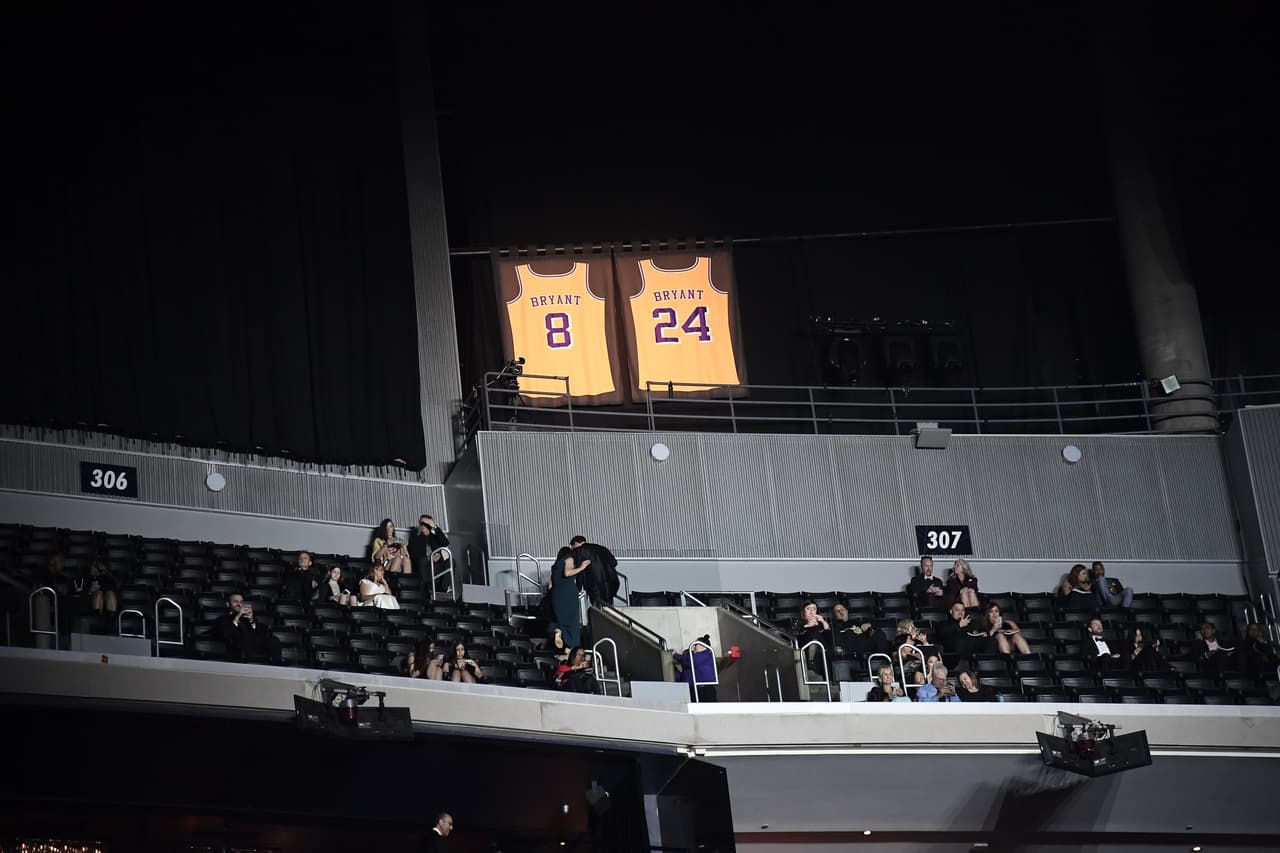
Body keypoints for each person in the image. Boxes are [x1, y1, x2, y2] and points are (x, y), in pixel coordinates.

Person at [548, 545, 589, 650]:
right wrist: (582, 567)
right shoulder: (569, 559)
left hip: (556, 596)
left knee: (562, 621)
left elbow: (550, 585)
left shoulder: (555, 566)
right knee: (573, 623)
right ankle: (573, 648)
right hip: (568, 594)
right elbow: (567, 573)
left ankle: (560, 632)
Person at [213, 593, 273, 662]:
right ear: (228, 604)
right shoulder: (222, 620)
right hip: (237, 649)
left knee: (273, 640)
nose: (239, 604)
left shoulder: (248, 617)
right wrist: (238, 616)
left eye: (241, 602)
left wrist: (251, 620)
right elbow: (227, 634)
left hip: (255, 646)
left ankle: (277, 664)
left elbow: (259, 632)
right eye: (235, 602)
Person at [569, 535, 619, 607]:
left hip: (594, 583)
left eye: (573, 548)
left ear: (576, 543)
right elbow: (614, 562)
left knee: (597, 606)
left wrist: (578, 588)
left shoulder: (580, 550)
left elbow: (580, 570)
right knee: (608, 606)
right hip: (610, 581)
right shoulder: (602, 548)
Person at [408, 514, 451, 591]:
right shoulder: (415, 538)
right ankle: (427, 590)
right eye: (421, 523)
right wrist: (430, 558)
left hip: (437, 566)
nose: (423, 526)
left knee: (451, 562)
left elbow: (446, 543)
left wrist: (435, 527)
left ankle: (443, 590)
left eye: (426, 524)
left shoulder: (435, 537)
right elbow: (414, 555)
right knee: (423, 561)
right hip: (424, 566)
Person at [672, 635, 718, 702]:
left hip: (705, 689)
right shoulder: (691, 665)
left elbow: (691, 660)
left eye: (696, 645)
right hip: (693, 689)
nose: (693, 647)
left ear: (703, 646)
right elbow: (682, 677)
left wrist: (675, 655)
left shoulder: (706, 655)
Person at [797, 601, 831, 677]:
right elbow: (796, 638)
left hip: (823, 653)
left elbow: (829, 635)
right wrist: (808, 626)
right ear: (803, 611)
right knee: (814, 636)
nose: (811, 611)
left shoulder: (822, 625)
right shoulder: (799, 625)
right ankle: (810, 663)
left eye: (814, 609)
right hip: (805, 652)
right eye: (808, 608)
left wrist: (822, 621)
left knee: (816, 637)